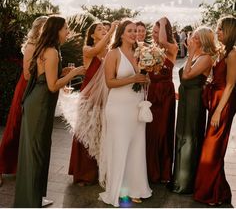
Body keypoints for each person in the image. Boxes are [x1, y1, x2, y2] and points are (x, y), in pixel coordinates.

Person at [14, 16, 86, 208]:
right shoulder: (52, 51)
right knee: (37, 151)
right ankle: (30, 202)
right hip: (40, 104)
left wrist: (62, 72)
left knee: (36, 150)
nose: (68, 32)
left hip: (37, 102)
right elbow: (53, 86)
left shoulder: (46, 49)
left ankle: (30, 199)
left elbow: (44, 76)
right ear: (56, 31)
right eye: (65, 29)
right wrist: (73, 73)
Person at [99, 20, 152, 207]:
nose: (133, 33)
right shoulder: (113, 54)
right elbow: (109, 82)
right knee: (120, 147)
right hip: (118, 107)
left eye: (134, 31)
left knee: (137, 147)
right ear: (120, 34)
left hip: (136, 106)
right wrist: (133, 78)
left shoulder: (141, 52)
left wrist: (145, 79)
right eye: (129, 31)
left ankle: (136, 188)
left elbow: (144, 76)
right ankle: (120, 191)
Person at [68, 21, 118, 185]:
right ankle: (83, 174)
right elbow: (97, 50)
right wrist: (111, 31)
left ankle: (99, 171)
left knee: (100, 134)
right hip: (89, 98)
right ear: (91, 35)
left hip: (105, 99)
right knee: (86, 134)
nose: (104, 30)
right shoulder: (87, 49)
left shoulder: (110, 52)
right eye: (100, 29)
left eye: (105, 28)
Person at [0, 16, 48, 187]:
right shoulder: (31, 46)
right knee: (15, 128)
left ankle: (20, 167)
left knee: (27, 131)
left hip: (38, 89)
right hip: (27, 88)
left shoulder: (47, 47)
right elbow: (28, 74)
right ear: (39, 28)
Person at [194, 16, 236, 206]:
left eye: (220, 29)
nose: (217, 32)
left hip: (224, 103)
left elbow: (230, 85)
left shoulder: (233, 54)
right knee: (211, 147)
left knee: (212, 148)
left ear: (229, 31)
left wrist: (219, 111)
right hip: (215, 101)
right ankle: (219, 192)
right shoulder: (222, 51)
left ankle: (212, 193)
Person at [170, 27, 216, 194]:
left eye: (195, 37)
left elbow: (187, 76)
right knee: (181, 136)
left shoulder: (205, 58)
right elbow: (186, 83)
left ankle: (186, 182)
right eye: (192, 36)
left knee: (190, 137)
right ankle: (178, 179)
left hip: (194, 103)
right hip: (185, 101)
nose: (191, 39)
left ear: (203, 40)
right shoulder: (197, 55)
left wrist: (189, 54)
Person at [146, 17, 178, 183]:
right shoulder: (149, 49)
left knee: (163, 131)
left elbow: (164, 41)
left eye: (158, 31)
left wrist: (164, 21)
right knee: (151, 131)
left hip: (165, 94)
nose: (155, 34)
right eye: (154, 31)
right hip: (152, 92)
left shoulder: (172, 48)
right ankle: (151, 171)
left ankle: (164, 172)